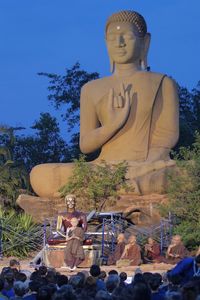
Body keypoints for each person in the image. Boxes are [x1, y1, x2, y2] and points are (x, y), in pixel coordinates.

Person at [30, 10, 179, 198]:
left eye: (127, 36)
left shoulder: (163, 83)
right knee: (39, 174)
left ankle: (111, 188)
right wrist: (112, 125)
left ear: (144, 42)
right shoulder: (91, 89)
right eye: (112, 38)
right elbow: (85, 145)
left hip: (145, 165)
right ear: (105, 43)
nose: (120, 43)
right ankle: (128, 186)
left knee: (187, 173)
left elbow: (167, 137)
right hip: (102, 168)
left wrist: (144, 166)